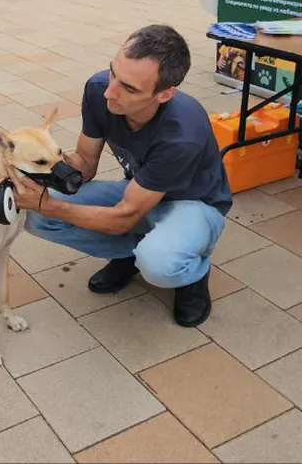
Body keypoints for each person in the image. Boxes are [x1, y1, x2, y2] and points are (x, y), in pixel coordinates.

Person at [13, 24, 232, 327]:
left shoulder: (181, 135)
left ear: (165, 94)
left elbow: (123, 218)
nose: (110, 92)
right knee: (37, 217)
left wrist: (50, 204)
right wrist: (49, 162)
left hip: (193, 204)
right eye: (113, 72)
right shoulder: (98, 89)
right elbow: (86, 163)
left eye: (129, 88)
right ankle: (130, 255)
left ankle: (192, 274)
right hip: (139, 191)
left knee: (159, 263)